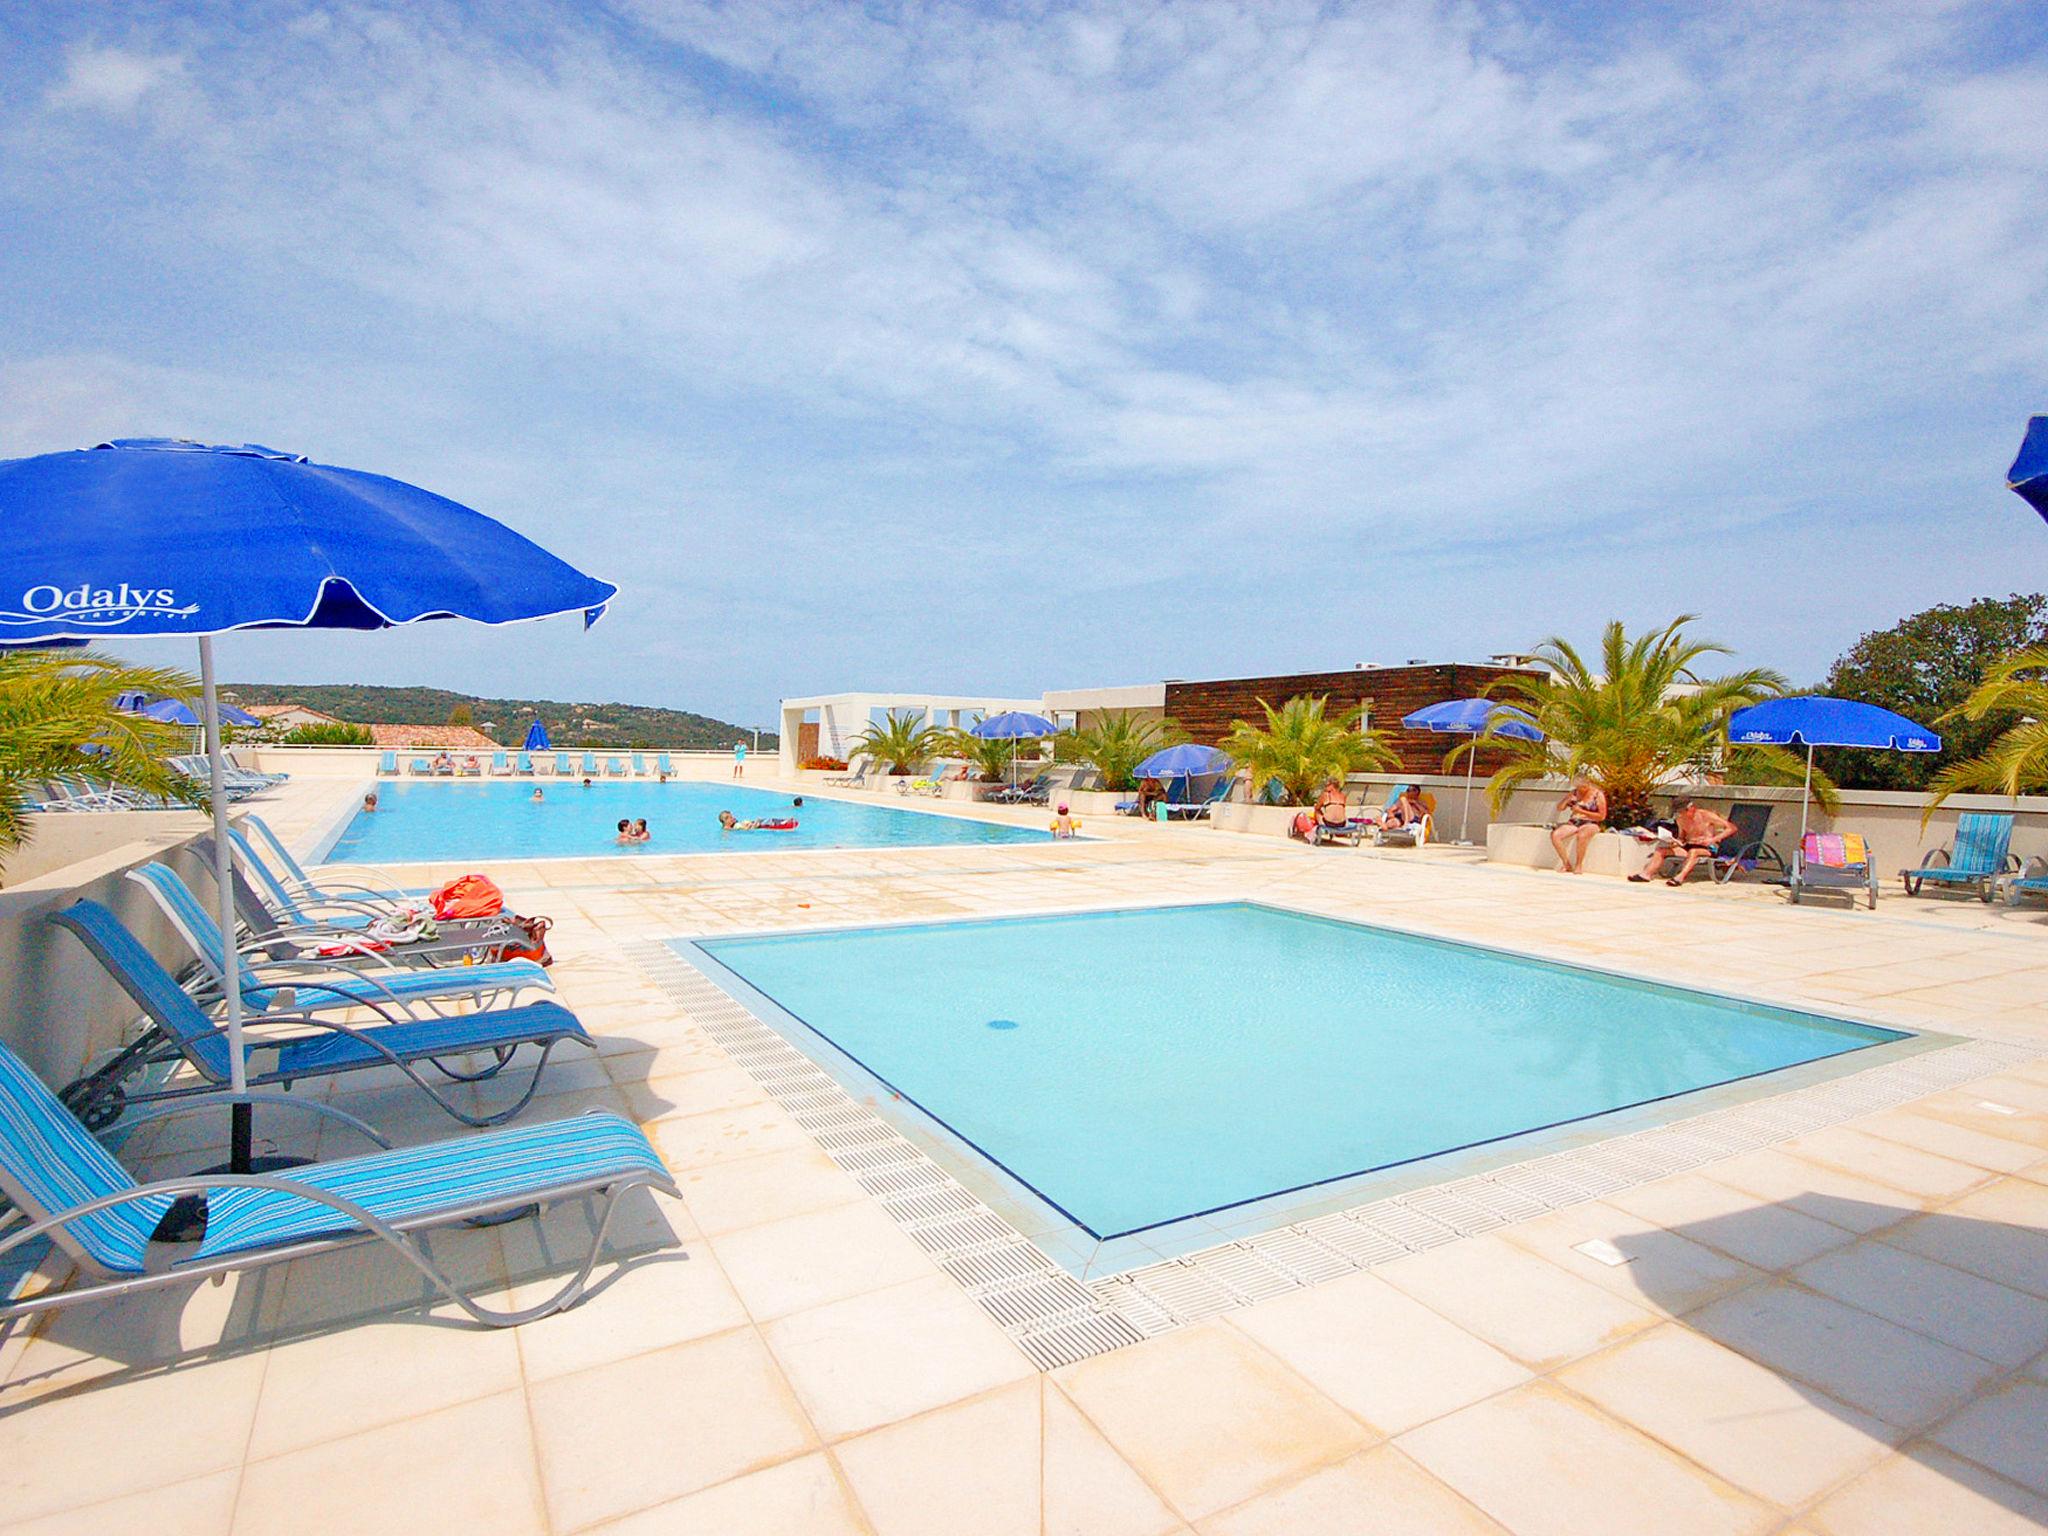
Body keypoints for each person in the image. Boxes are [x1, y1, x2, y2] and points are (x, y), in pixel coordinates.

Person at [1631, 800, 1737, 886]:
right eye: (1679, 812)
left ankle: (1680, 877)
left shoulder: (1706, 816)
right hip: (1688, 846)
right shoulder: (1681, 819)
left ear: (1691, 808)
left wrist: (1712, 840)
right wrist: (1675, 841)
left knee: (1694, 852)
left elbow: (1732, 828)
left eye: (1683, 812)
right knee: (1661, 850)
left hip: (1707, 848)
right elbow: (1682, 837)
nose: (1681, 815)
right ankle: (1646, 875)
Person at [1550, 777, 1606, 873]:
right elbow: (1560, 808)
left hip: (1591, 822)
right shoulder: (1574, 793)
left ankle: (1579, 864)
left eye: (1583, 787)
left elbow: (1601, 816)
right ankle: (1566, 863)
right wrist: (1567, 800)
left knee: (1582, 835)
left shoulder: (1597, 795)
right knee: (1556, 835)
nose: (1581, 790)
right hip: (1575, 821)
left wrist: (1581, 811)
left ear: (1588, 784)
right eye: (1579, 788)